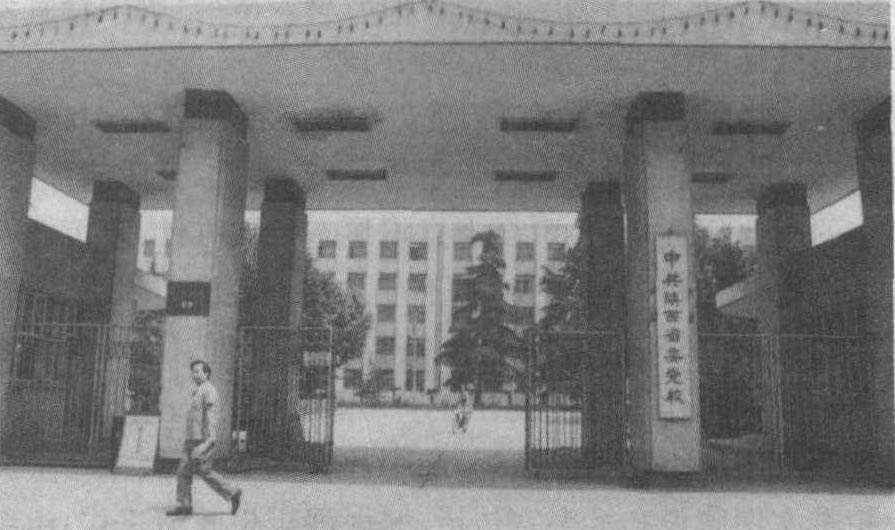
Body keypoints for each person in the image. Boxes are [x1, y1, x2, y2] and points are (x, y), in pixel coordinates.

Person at [166, 360, 242, 516]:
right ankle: (184, 504)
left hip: (202, 439)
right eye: (192, 372)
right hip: (192, 438)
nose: (194, 375)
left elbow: (211, 416)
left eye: (197, 371)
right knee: (183, 471)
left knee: (202, 471)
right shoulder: (198, 390)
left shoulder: (209, 390)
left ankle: (232, 492)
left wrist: (210, 439)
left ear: (206, 374)